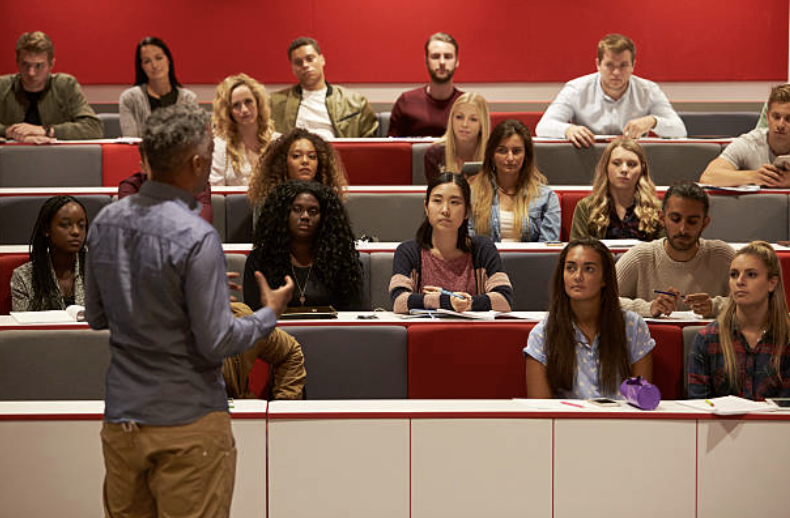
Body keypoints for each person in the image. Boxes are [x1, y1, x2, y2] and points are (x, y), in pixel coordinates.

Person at [84, 104, 294, 516]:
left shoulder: (105, 223)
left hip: (122, 422)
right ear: (197, 162)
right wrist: (268, 313)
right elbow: (217, 341)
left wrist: (190, 292)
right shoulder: (196, 235)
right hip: (187, 424)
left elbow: (96, 316)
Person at [524, 238, 655, 399]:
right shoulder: (542, 334)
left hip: (621, 422)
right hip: (567, 423)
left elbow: (640, 400)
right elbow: (542, 410)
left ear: (604, 279)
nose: (578, 276)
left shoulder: (633, 326)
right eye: (570, 268)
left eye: (589, 269)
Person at [390, 172, 513, 314]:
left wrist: (466, 303)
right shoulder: (408, 251)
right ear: (426, 208)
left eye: (454, 202)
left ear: (467, 211)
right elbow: (399, 301)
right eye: (437, 201)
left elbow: (504, 300)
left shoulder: (483, 249)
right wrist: (447, 301)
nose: (445, 210)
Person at [535, 33, 686, 148]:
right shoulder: (576, 89)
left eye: (623, 65)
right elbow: (543, 127)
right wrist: (568, 130)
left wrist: (653, 121)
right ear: (598, 64)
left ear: (633, 66)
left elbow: (679, 131)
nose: (616, 72)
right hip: (587, 158)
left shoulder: (649, 90)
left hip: (633, 164)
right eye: (609, 65)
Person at [616, 181, 735, 318]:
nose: (683, 229)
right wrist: (649, 308)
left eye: (692, 221)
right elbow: (602, 299)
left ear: (704, 223)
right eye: (675, 219)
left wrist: (715, 307)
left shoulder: (723, 255)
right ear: (662, 219)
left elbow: (754, 301)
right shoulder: (639, 256)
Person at [688, 241, 790, 400]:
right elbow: (699, 407)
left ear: (772, 283)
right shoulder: (708, 339)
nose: (740, 281)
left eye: (751, 274)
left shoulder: (787, 338)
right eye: (734, 274)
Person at [244, 180, 363, 310]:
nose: (305, 216)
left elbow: (352, 311)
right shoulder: (261, 259)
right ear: (283, 214)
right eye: (297, 209)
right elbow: (253, 313)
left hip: (330, 330)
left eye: (313, 211)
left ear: (324, 218)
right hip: (275, 330)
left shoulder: (342, 259)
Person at [0, 31, 102, 142]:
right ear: (17, 62)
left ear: (51, 64)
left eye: (39, 66)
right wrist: (9, 131)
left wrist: (46, 130)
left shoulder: (65, 85)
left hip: (57, 157)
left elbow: (94, 128)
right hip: (12, 157)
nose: (31, 73)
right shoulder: (3, 86)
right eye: (25, 65)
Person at [468, 119, 560, 242]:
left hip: (532, 262)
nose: (510, 158)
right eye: (502, 150)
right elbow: (469, 244)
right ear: (491, 155)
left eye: (516, 151)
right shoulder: (472, 194)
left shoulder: (547, 197)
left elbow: (546, 250)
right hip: (484, 261)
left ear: (526, 155)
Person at [270, 37, 378, 138]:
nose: (305, 65)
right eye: (298, 62)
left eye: (310, 59)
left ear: (322, 60)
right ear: (293, 69)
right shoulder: (275, 104)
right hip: (296, 155)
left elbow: (369, 141)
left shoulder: (355, 102)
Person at [247, 128, 348, 225]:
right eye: (296, 156)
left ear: (319, 163)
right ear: (283, 163)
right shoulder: (267, 201)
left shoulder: (330, 201)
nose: (305, 161)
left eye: (311, 156)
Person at [570, 138, 663, 240]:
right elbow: (577, 252)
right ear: (606, 167)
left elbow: (665, 252)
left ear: (642, 169)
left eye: (631, 164)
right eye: (616, 163)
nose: (624, 170)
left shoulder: (657, 210)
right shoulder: (585, 207)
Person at [700, 84, 790, 188]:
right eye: (776, 117)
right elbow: (708, 177)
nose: (780, 125)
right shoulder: (749, 143)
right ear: (768, 117)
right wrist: (754, 176)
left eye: (789, 119)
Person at [11, 195, 87, 311]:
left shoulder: (101, 272)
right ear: (46, 229)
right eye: (65, 225)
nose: (76, 232)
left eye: (81, 226)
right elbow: (24, 328)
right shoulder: (24, 277)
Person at [119, 36, 198, 138]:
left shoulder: (189, 99)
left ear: (168, 60)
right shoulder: (129, 98)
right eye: (147, 61)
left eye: (158, 58)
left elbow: (193, 140)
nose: (154, 65)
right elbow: (131, 141)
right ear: (141, 66)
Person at [388, 32, 464, 137]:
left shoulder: (468, 104)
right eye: (435, 56)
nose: (442, 62)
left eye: (448, 57)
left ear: (457, 61)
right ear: (426, 61)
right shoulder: (406, 102)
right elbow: (393, 149)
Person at [210, 73, 277, 186]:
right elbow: (216, 194)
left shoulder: (277, 141)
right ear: (228, 111)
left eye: (248, 101)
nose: (244, 110)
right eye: (236, 105)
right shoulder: (219, 146)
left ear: (258, 102)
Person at [118, 148, 213, 222]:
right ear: (143, 167)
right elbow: (129, 226)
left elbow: (202, 223)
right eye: (155, 163)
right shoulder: (130, 186)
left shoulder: (197, 183)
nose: (164, 168)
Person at [423, 92, 490, 183]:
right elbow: (434, 194)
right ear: (451, 120)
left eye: (473, 119)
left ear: (482, 124)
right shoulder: (435, 155)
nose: (465, 124)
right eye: (459, 117)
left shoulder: (493, 155)